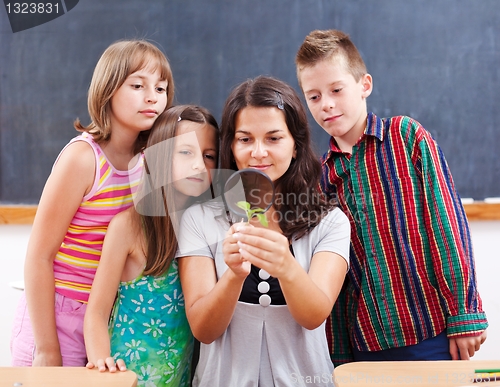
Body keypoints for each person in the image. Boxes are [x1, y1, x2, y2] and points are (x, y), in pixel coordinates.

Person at [295, 29, 488, 363]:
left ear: (364, 85)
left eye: (336, 90)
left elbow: (447, 227)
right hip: (366, 345)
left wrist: (464, 314)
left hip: (433, 331)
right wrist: (339, 356)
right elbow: (334, 276)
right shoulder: (321, 179)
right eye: (313, 96)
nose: (326, 103)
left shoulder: (406, 138)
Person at [176, 76, 351, 386]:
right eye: (245, 139)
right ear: (230, 146)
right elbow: (203, 329)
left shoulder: (331, 222)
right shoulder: (199, 219)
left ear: (295, 146)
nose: (258, 152)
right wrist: (233, 274)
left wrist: (286, 265)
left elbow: (314, 316)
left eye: (273, 138)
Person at [10, 39, 174, 367]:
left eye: (161, 87)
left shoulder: (148, 162)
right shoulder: (84, 159)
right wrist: (46, 349)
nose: (152, 97)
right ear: (107, 90)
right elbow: (39, 256)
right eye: (138, 85)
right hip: (56, 318)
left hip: (105, 318)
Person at [84, 105, 219, 387]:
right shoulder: (128, 226)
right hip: (126, 377)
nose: (198, 164)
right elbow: (97, 311)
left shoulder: (210, 228)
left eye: (209, 156)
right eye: (186, 152)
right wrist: (101, 361)